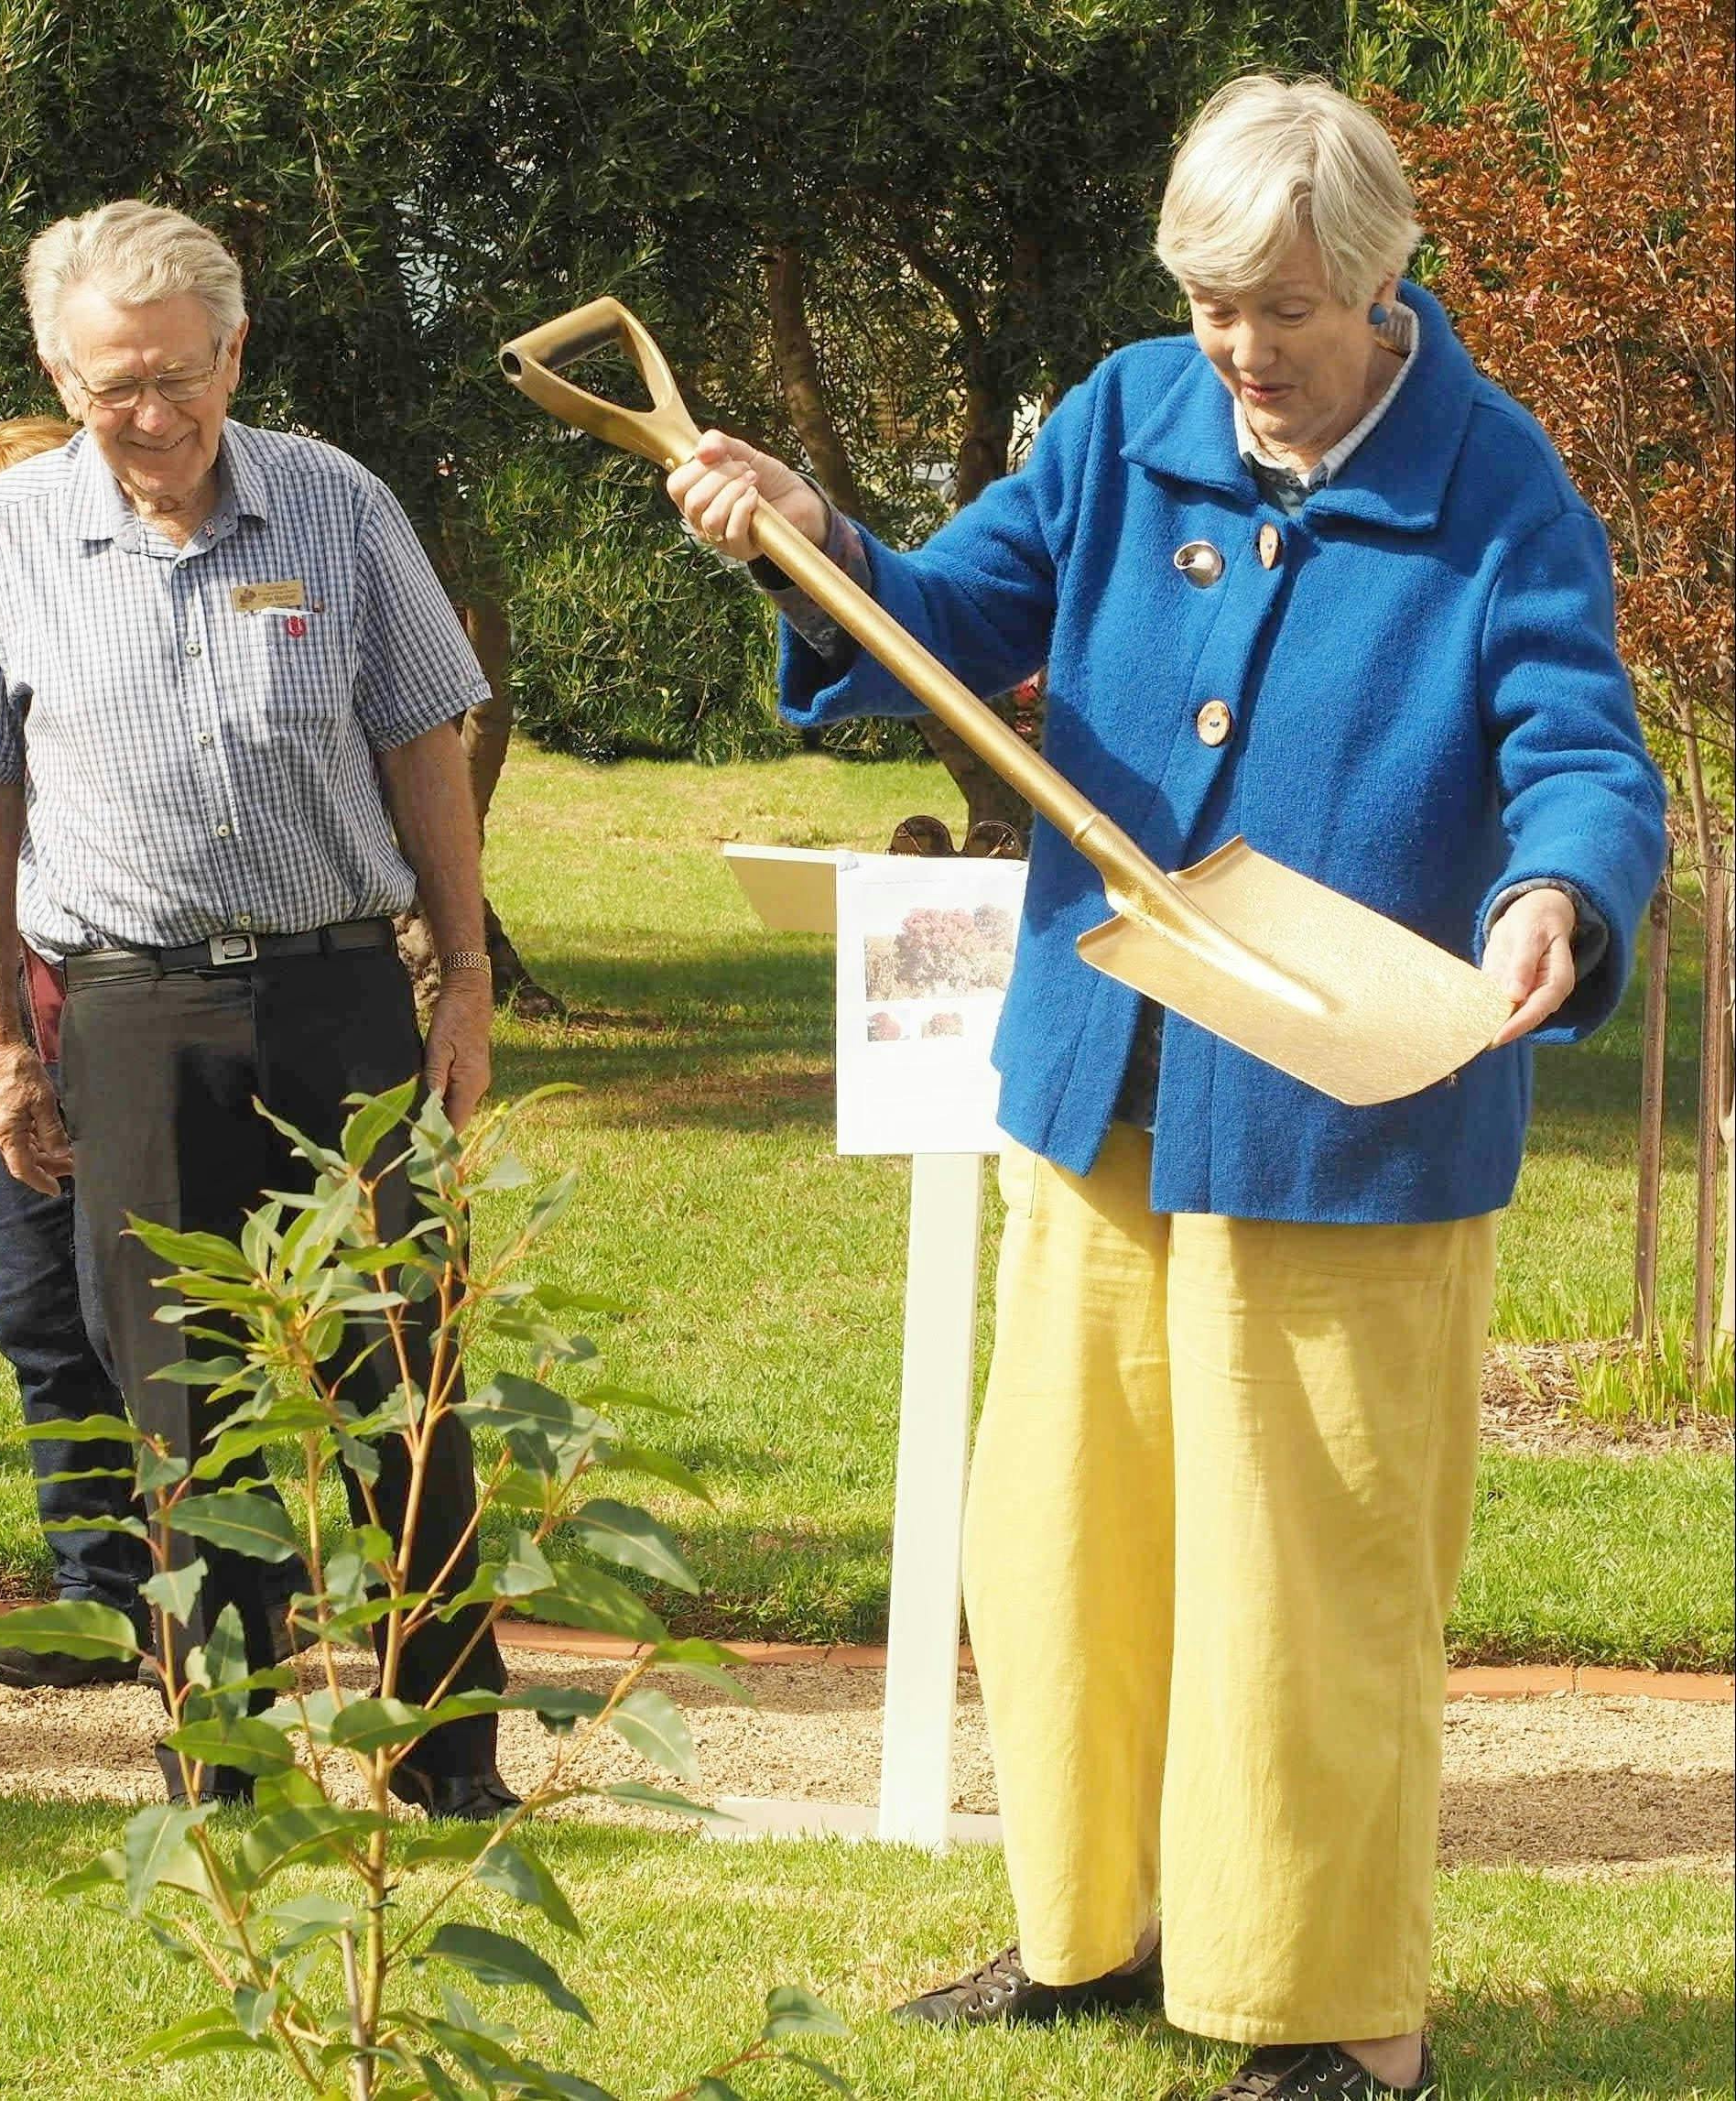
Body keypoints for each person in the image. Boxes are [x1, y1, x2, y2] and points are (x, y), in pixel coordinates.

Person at [669, 74, 1666, 2101]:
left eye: (1279, 313)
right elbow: (940, 624)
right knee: (1057, 1552)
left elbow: (1579, 741)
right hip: (1096, 1086)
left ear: (1379, 285)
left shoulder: (1494, 482)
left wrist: (1556, 888)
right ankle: (1091, 1936)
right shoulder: (1125, 411)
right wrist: (811, 543)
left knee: (1308, 1595)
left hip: (1344, 1115)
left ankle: (1335, 2022)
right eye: (1210, 305)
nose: (1239, 351)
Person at [0, 200, 512, 1818]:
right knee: (175, 1392)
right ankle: (223, 1761)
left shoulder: (337, 503)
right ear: (58, 368)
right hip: (129, 1010)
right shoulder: (3, 539)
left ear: (235, 351)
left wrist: (460, 974)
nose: (158, 417)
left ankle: (448, 1744)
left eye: (184, 376)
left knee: (406, 1354)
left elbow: (423, 740)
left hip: (337, 991)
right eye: (116, 388)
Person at [0, 418, 310, 1691]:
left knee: (177, 1318)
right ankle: (99, 1595)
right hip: (20, 1044)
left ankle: (250, 1591)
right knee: (42, 1318)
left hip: (147, 1024)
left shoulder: (149, 650)